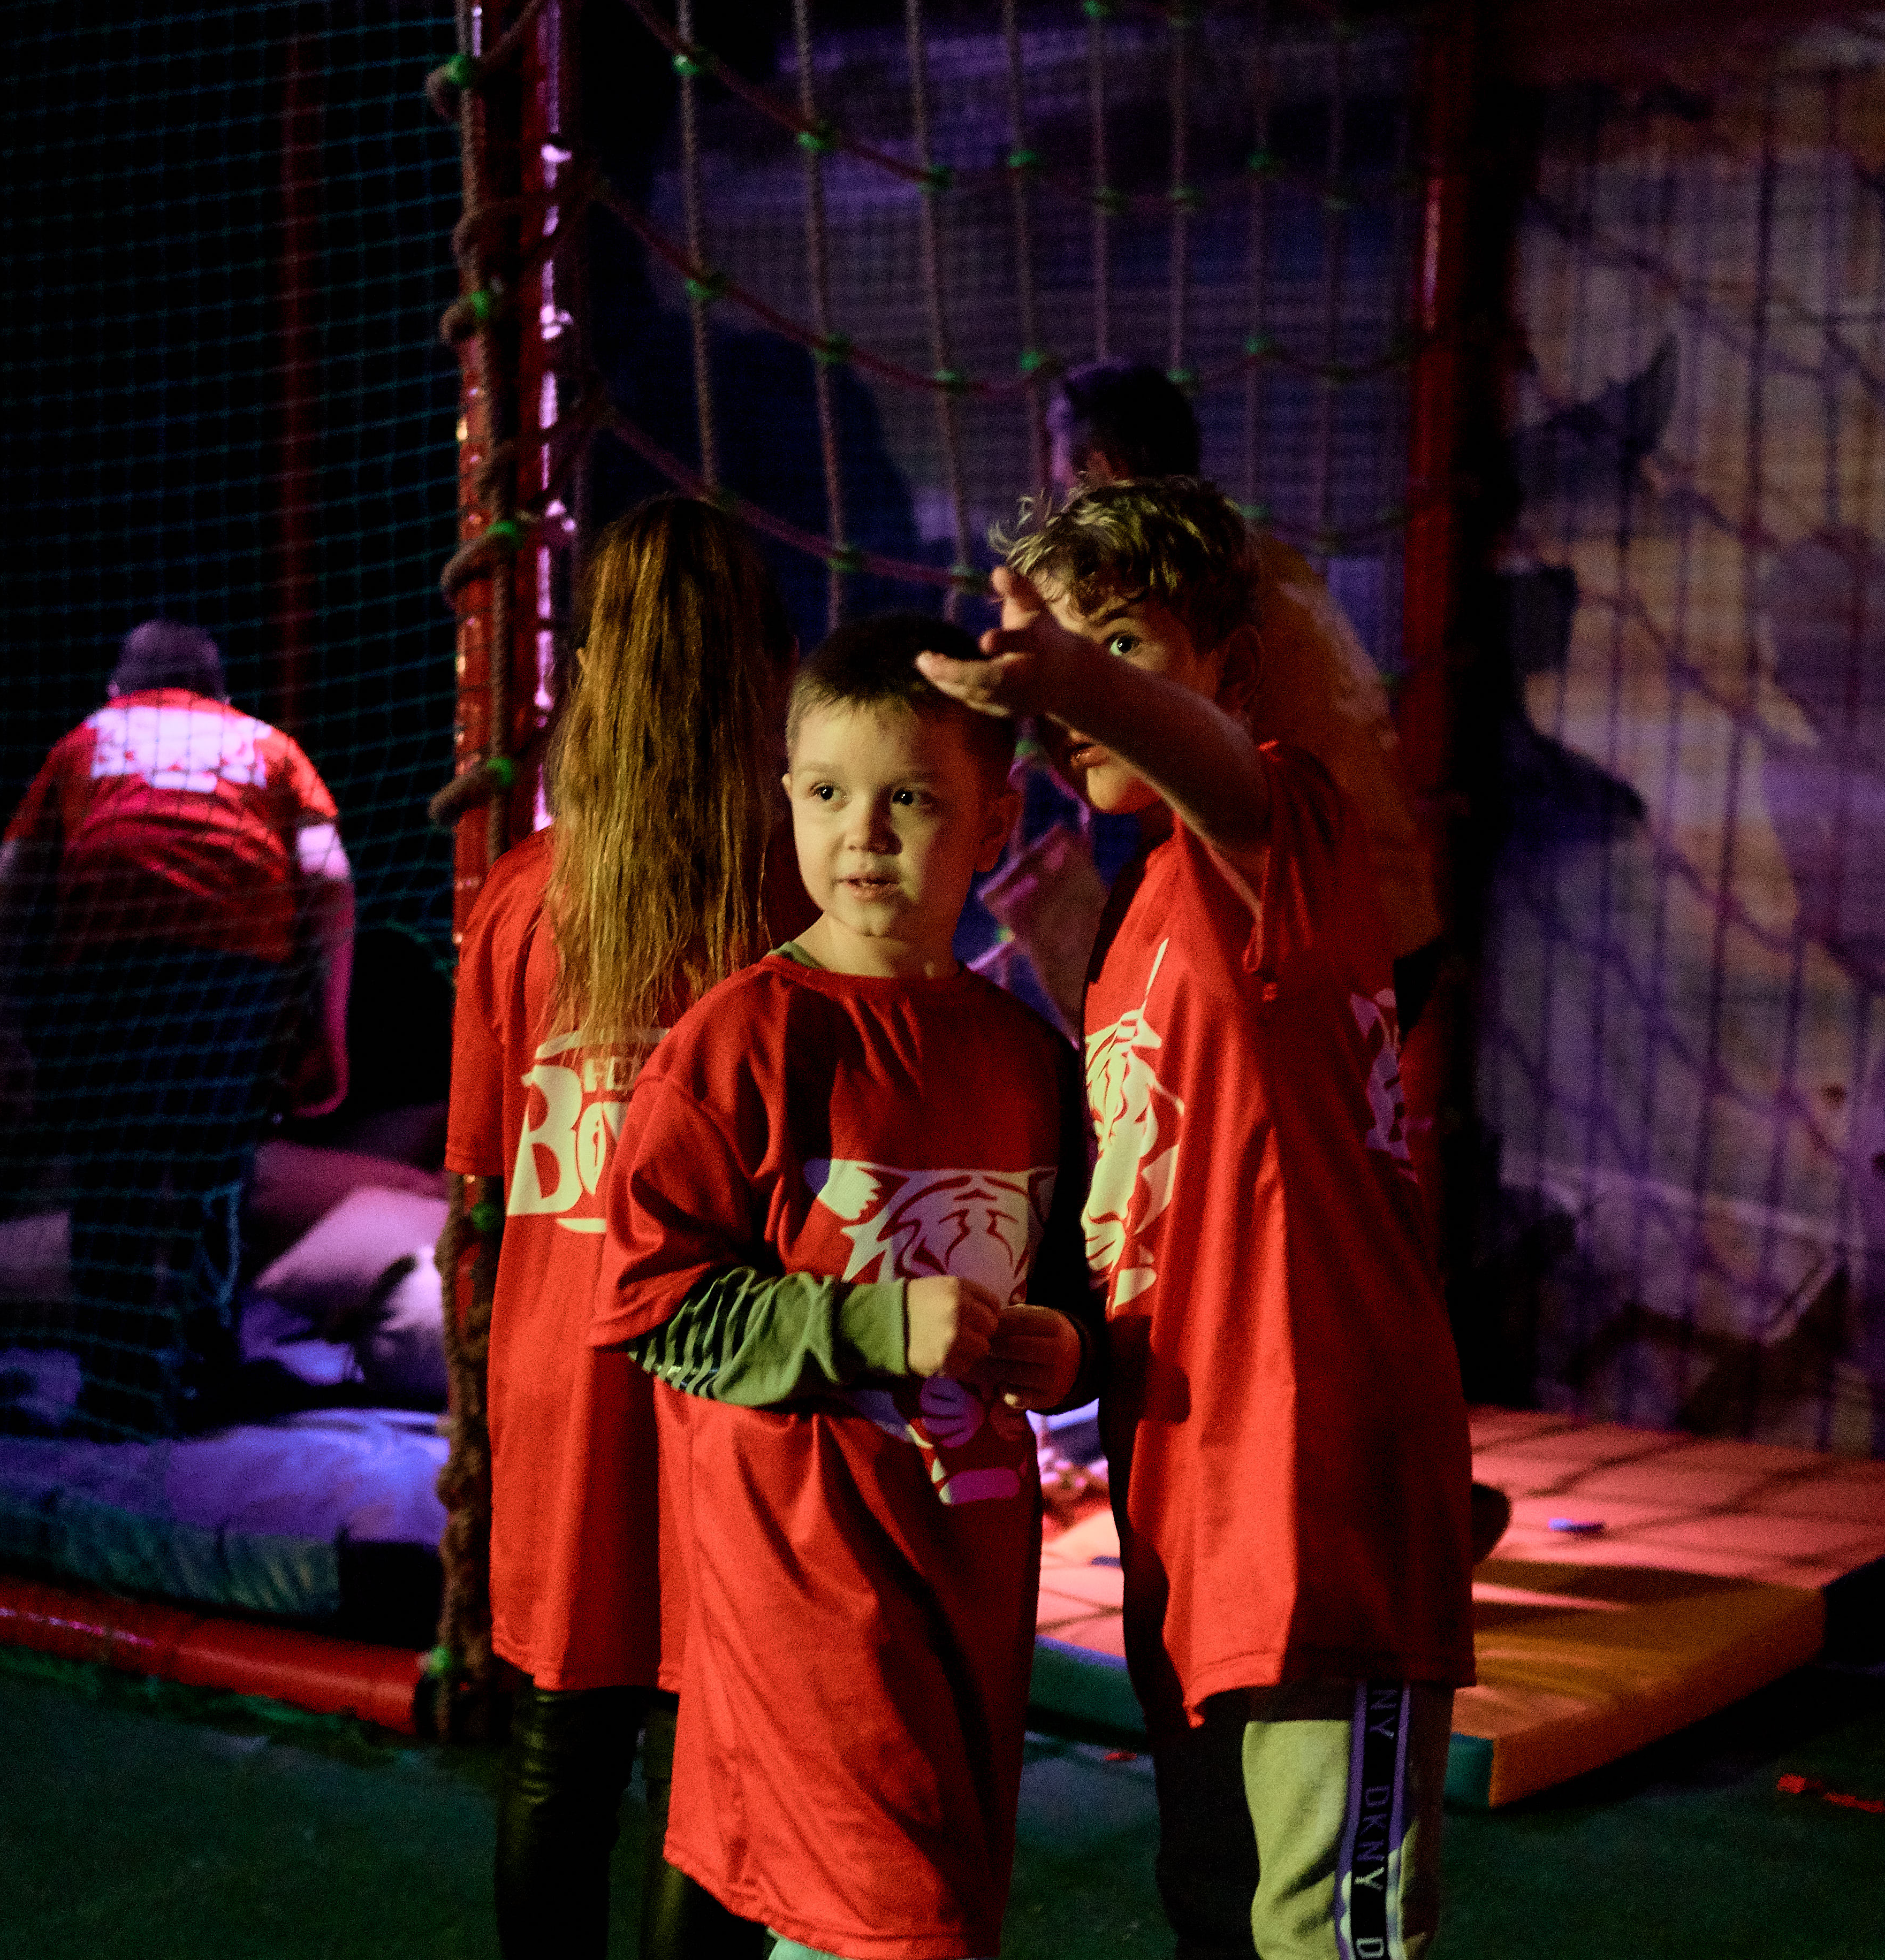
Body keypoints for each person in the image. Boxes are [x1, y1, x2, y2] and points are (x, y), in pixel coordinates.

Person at [919, 480, 1475, 1960]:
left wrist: (1067, 672)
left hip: (1318, 1486)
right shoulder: (1137, 921)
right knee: (1213, 1906)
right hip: (1190, 1487)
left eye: (1123, 642)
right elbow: (1158, 1211)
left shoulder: (1282, 829)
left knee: (1325, 1933)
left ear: (1230, 668)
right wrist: (1071, 1345)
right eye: (1065, 652)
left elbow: (1220, 773)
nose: (1073, 698)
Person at [592, 613, 1106, 1960]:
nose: (862, 834)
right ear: (786, 800)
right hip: (808, 1597)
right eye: (827, 793)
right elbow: (654, 1301)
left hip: (968, 1579)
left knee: (925, 1915)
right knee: (897, 1929)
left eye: (909, 800)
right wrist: (876, 1323)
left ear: (995, 822)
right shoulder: (743, 1040)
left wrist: (1067, 1349)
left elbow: (1071, 1279)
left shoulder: (1027, 1056)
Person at [440, 498, 803, 1960]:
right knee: (720, 1764)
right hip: (735, 1382)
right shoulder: (798, 891)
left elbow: (487, 1176)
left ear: (592, 668)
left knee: (558, 1752)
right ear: (765, 666)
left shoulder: (519, 897)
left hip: (562, 1379)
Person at [0, 618, 352, 1438]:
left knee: (110, 1178)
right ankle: (204, 1373)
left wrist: (1, 1026)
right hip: (233, 973)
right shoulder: (266, 744)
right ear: (220, 691)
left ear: (119, 689)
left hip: (108, 970)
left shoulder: (87, 741)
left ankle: (115, 1390)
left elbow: (14, 878)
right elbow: (327, 875)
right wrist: (327, 1031)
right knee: (213, 1178)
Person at [1049, 359, 1444, 1028]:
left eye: (1064, 486)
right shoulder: (1256, 557)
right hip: (1389, 917)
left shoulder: (1174, 593)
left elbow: (1154, 762)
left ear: (1104, 470)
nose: (1065, 511)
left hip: (1318, 943)